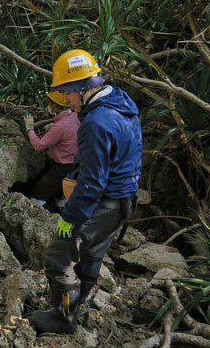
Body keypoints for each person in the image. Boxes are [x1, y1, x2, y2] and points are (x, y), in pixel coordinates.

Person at [29, 49, 142, 334]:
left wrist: (71, 215)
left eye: (67, 92)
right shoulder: (122, 104)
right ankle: (75, 306)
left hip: (102, 202)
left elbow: (92, 182)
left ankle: (64, 318)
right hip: (123, 201)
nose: (64, 100)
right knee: (91, 257)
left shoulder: (96, 123)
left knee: (58, 257)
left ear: (83, 87)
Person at [22, 91, 79, 210]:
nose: (48, 105)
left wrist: (29, 128)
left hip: (61, 168)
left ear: (54, 106)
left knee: (37, 195)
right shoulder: (75, 116)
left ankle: (47, 218)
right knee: (61, 194)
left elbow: (38, 146)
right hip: (74, 165)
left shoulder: (59, 127)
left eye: (49, 103)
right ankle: (61, 211)